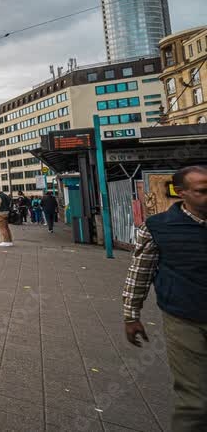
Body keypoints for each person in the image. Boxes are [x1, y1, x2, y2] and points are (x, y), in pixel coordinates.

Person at [122, 165, 207, 431]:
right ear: (181, 193)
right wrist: (131, 314)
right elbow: (140, 272)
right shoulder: (158, 227)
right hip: (185, 319)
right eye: (202, 191)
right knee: (196, 401)